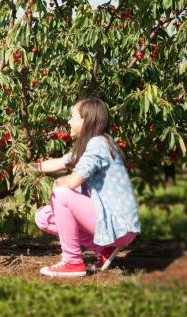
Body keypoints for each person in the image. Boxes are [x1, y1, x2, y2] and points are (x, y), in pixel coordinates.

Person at [32, 97, 140, 277]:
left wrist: (56, 184)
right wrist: (23, 168)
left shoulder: (98, 144)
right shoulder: (87, 146)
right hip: (110, 223)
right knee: (43, 217)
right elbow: (59, 162)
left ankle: (72, 262)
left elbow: (73, 181)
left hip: (121, 226)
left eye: (72, 117)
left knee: (61, 194)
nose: (68, 121)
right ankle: (103, 247)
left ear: (86, 120)